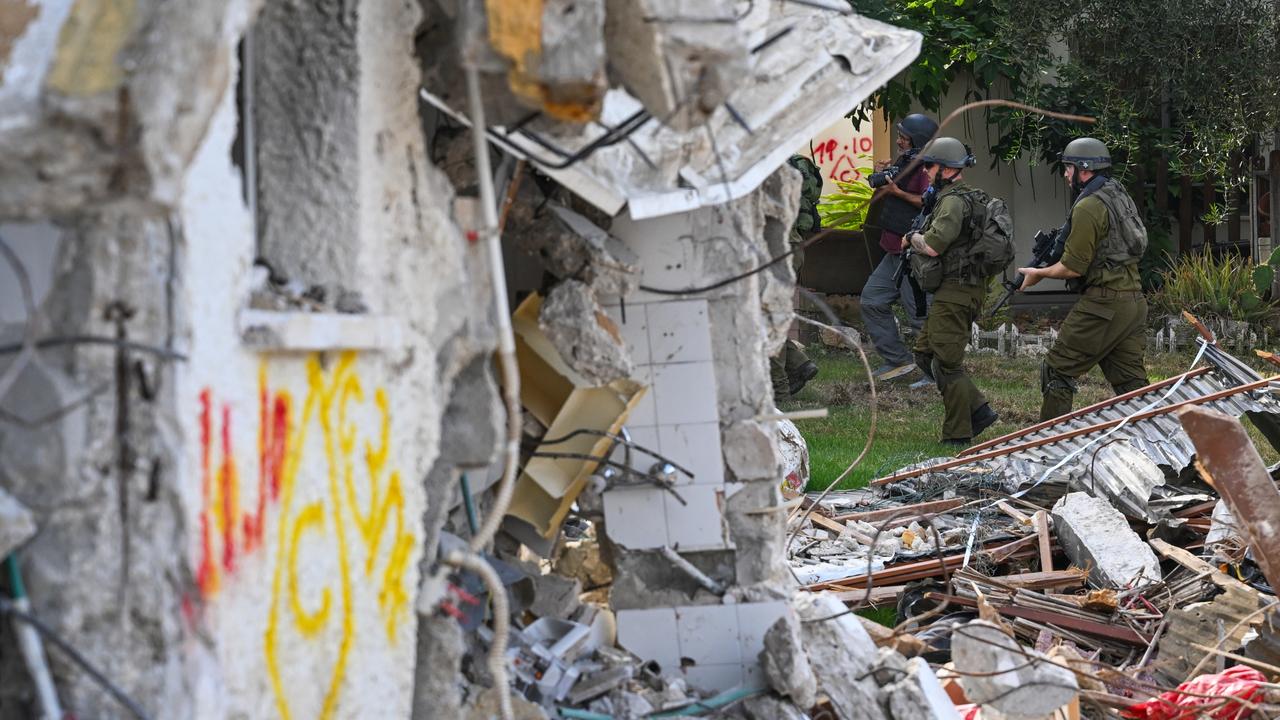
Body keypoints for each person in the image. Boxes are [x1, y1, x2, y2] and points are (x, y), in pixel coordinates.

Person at [1018, 137, 1149, 421]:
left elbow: (1072, 267)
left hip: (1104, 303)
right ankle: (1164, 450)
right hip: (1133, 301)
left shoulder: (1088, 206)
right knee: (1132, 385)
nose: (1065, 174)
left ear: (1085, 170)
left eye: (1068, 167)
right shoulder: (1117, 193)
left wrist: (1038, 274)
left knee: (1057, 369)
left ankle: (1049, 445)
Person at [904, 137, 999, 446]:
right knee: (924, 353)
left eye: (930, 167)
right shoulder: (963, 197)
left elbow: (933, 246)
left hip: (956, 290)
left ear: (945, 169)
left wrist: (912, 238)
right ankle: (979, 410)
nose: (927, 173)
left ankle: (957, 435)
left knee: (947, 363)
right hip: (959, 288)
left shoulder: (953, 201)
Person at [861, 114, 937, 383]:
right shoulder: (906, 161)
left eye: (903, 137)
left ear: (916, 141)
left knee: (919, 316)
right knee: (871, 300)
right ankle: (898, 361)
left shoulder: (929, 167)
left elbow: (930, 201)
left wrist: (899, 193)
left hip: (912, 255)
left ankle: (935, 374)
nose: (898, 140)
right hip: (893, 251)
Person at [770, 155, 821, 399]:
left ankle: (779, 390)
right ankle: (799, 364)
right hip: (789, 248)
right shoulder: (781, 167)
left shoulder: (765, 172)